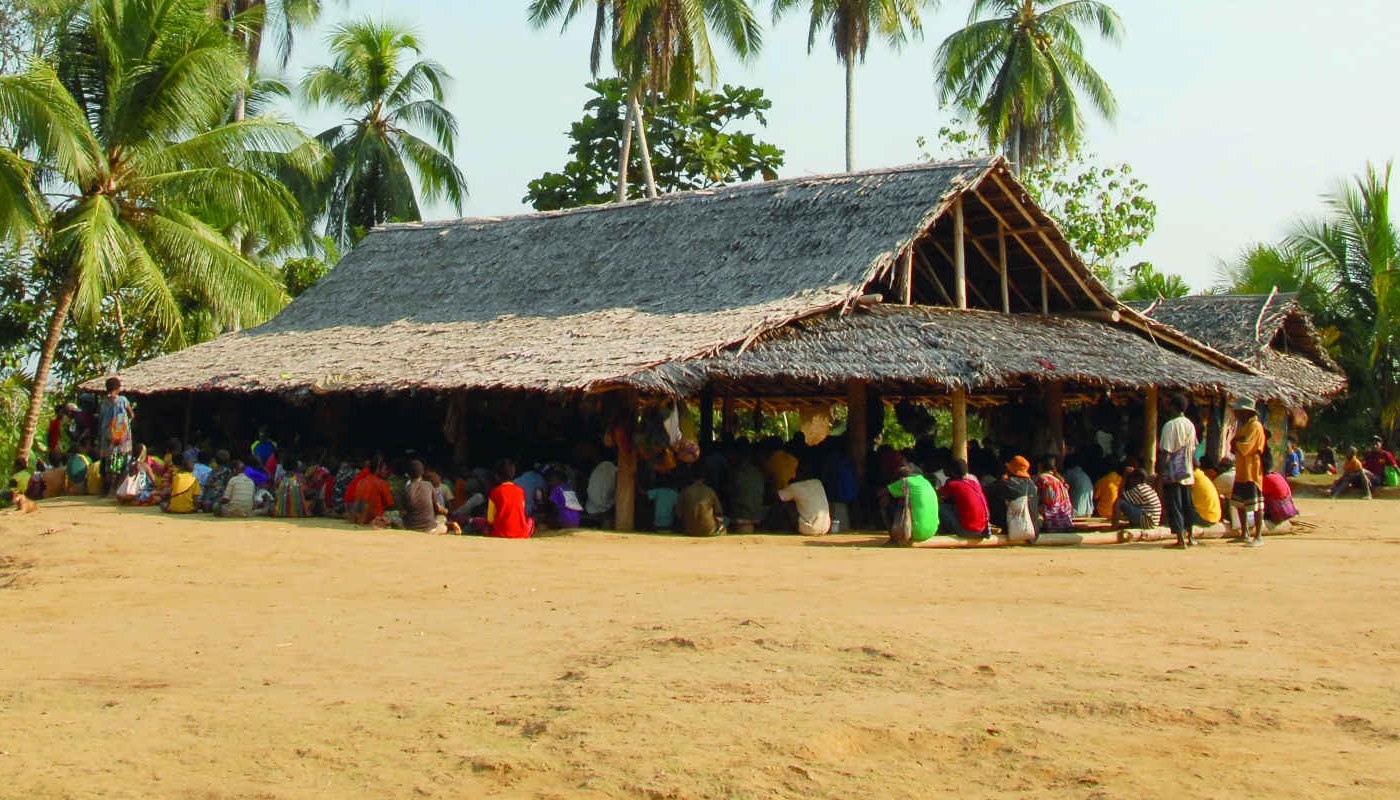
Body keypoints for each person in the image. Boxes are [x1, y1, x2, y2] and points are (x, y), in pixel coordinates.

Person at [1158, 394, 1200, 548]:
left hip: (1174, 474)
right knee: (1187, 505)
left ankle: (1180, 539)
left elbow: (1166, 452)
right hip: (1187, 472)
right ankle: (1191, 536)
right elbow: (1194, 448)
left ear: (1173, 407)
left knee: (1175, 505)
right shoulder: (1190, 424)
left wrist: (1161, 474)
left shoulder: (1170, 425)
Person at [1229, 398, 1267, 546]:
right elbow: (1236, 443)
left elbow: (1244, 445)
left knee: (1256, 505)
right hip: (1241, 470)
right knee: (1239, 503)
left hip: (1252, 470)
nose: (1236, 414)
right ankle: (1244, 533)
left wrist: (1236, 443)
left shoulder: (1255, 426)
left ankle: (1258, 536)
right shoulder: (1244, 426)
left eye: (1238, 411)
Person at [882, 464, 939, 545]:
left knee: (885, 500)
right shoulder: (926, 482)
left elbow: (882, 493)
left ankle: (894, 538)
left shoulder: (906, 481)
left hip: (915, 533)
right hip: (932, 531)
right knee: (906, 499)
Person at [97, 377, 134, 494]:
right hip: (121, 437)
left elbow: (101, 421)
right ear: (118, 388)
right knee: (123, 464)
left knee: (108, 465)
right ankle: (118, 490)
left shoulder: (103, 403)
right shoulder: (122, 400)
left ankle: (106, 490)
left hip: (107, 438)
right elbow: (131, 414)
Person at [938, 458, 990, 537]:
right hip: (983, 529)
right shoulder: (973, 483)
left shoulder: (952, 484)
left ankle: (942, 531)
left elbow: (937, 495)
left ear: (952, 471)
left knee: (939, 508)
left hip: (968, 531)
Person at [988, 456, 1039, 537]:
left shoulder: (1006, 484)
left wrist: (1001, 480)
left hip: (1014, 530)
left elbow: (987, 491)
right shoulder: (1032, 485)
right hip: (1034, 531)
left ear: (1010, 470)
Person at [485, 459, 535, 538]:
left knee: (479, 522)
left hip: (500, 533)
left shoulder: (494, 492)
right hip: (521, 534)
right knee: (531, 521)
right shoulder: (520, 491)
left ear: (496, 476)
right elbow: (522, 513)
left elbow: (490, 520)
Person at [776, 472, 832, 536]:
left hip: (810, 530)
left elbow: (778, 496)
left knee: (785, 503)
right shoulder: (818, 483)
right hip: (826, 528)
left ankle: (780, 528)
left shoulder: (795, 487)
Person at [404, 460, 451, 534]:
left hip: (410, 528)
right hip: (429, 529)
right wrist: (446, 510)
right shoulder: (428, 485)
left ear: (408, 474)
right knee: (442, 520)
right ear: (422, 472)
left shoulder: (406, 489)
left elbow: (403, 513)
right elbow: (438, 508)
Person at [677, 469, 726, 537]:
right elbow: (719, 511)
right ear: (704, 479)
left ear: (692, 479)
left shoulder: (685, 491)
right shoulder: (710, 491)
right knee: (726, 520)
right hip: (708, 531)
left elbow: (679, 513)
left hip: (689, 531)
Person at [726, 447, 767, 526]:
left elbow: (729, 492)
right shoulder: (758, 473)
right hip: (757, 513)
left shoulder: (736, 473)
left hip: (741, 513)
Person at [1033, 456, 1074, 533]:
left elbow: (1033, 500)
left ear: (1040, 466)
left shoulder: (1042, 479)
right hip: (1066, 521)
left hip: (1052, 522)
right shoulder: (1059, 479)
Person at [354, 458, 396, 527]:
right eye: (385, 469)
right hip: (376, 520)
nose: (387, 472)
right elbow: (389, 504)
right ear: (377, 470)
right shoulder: (382, 483)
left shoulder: (360, 482)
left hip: (360, 520)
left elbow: (359, 504)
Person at [1063, 454, 1094, 518]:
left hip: (1076, 512)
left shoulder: (1069, 473)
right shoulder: (1084, 475)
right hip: (1088, 511)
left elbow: (1061, 487)